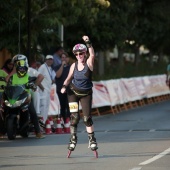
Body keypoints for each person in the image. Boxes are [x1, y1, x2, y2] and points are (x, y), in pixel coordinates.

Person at [61, 35, 98, 152]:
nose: (78, 56)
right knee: (75, 117)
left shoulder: (89, 63)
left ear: (84, 53)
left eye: (80, 54)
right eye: (76, 54)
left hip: (86, 93)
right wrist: (63, 86)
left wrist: (88, 42)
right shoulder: (74, 65)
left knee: (87, 118)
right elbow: (68, 78)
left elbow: (92, 54)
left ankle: (92, 140)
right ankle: (73, 139)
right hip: (73, 92)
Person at [5, 54, 45, 139]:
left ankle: (38, 131)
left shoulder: (30, 71)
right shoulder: (14, 74)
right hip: (15, 96)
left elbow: (40, 76)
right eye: (15, 63)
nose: (17, 65)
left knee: (32, 111)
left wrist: (34, 85)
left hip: (27, 95)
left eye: (18, 62)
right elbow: (7, 80)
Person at [38, 55, 56, 123]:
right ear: (45, 60)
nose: (50, 61)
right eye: (48, 59)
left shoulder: (50, 68)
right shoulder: (43, 67)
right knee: (43, 106)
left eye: (51, 59)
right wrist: (41, 87)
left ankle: (44, 122)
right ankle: (41, 123)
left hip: (48, 90)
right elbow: (38, 76)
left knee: (46, 107)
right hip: (43, 90)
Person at [56, 52, 71, 123]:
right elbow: (58, 75)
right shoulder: (58, 66)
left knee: (69, 105)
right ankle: (63, 120)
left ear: (68, 58)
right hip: (60, 89)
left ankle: (69, 119)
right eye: (62, 57)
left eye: (65, 57)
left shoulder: (71, 67)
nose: (64, 59)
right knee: (62, 106)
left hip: (69, 89)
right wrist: (62, 66)